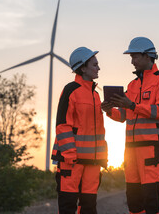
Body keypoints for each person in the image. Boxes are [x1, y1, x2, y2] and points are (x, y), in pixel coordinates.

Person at [102, 37, 159, 214]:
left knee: (152, 199)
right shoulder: (131, 85)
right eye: (131, 57)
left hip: (151, 148)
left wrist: (133, 105)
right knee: (134, 200)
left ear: (148, 56)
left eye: (134, 57)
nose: (132, 61)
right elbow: (123, 116)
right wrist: (109, 111)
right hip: (130, 151)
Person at [51, 46, 107, 214]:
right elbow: (62, 125)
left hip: (92, 162)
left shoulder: (96, 95)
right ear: (83, 67)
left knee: (89, 208)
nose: (98, 68)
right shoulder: (71, 90)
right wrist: (70, 156)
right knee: (68, 207)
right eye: (95, 64)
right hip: (72, 162)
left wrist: (102, 157)